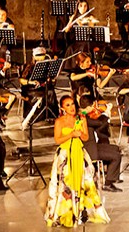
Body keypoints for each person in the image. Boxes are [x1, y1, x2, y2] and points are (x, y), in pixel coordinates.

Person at [44, 96, 110, 227]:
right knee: (64, 184)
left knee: (85, 182)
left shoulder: (81, 118)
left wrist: (80, 133)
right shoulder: (59, 121)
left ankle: (81, 210)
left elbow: (85, 137)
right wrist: (71, 134)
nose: (71, 107)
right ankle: (66, 212)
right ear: (62, 108)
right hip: (64, 155)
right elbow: (57, 140)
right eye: (67, 105)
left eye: (72, 104)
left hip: (79, 152)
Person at [79, 96, 123, 193]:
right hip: (89, 150)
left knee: (116, 149)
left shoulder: (84, 114)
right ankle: (108, 183)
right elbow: (99, 123)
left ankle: (111, 174)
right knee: (116, 156)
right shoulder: (83, 117)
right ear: (89, 107)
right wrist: (107, 112)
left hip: (93, 145)